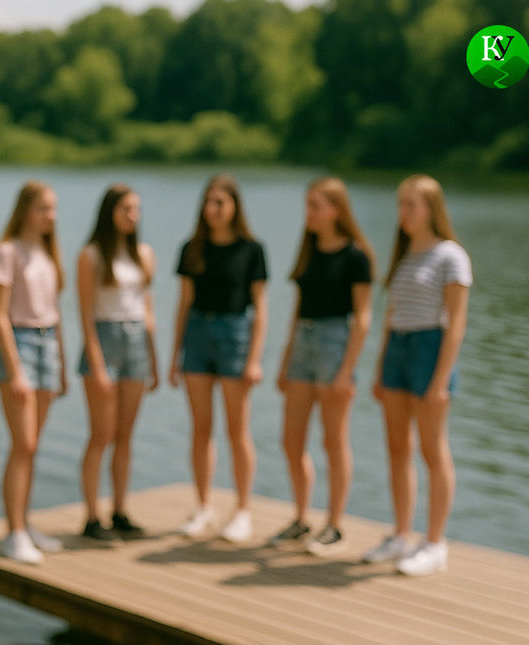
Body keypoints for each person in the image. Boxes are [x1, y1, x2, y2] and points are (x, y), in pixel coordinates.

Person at [363, 174, 471, 576]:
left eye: (411, 205)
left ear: (432, 209)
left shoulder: (451, 255)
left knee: (432, 449)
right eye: (400, 204)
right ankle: (401, 535)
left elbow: (456, 322)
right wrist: (379, 367)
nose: (403, 213)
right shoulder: (404, 254)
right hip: (398, 352)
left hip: (429, 352)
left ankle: (434, 542)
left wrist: (441, 379)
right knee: (396, 447)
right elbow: (392, 316)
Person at [268, 177, 374, 555]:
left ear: (337, 210)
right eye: (307, 205)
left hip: (335, 347)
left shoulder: (356, 256)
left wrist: (347, 370)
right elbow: (299, 309)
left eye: (316, 205)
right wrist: (284, 357)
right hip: (303, 346)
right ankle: (301, 518)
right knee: (291, 440)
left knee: (334, 440)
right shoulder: (308, 250)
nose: (308, 213)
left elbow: (362, 317)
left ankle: (335, 525)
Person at [168, 173, 268, 542]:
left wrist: (254, 358)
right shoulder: (191, 248)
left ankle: (242, 510)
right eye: (208, 202)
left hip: (235, 336)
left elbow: (261, 307)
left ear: (235, 206)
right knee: (201, 427)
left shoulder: (251, 249)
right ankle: (203, 506)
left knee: (237, 429)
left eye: (220, 203)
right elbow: (183, 303)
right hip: (197, 335)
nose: (213, 209)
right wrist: (175, 353)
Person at [0, 180, 68, 564]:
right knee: (24, 445)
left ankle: (26, 523)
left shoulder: (49, 253)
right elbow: (0, 315)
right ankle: (13, 532)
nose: (51, 216)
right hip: (19, 346)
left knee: (34, 446)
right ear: (26, 210)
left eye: (53, 209)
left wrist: (63, 365)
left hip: (48, 345)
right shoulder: (8, 252)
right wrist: (16, 371)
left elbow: (56, 311)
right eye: (44, 209)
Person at [76, 184, 159, 542]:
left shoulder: (144, 253)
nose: (133, 215)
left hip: (137, 342)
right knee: (101, 435)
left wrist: (154, 357)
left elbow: (147, 307)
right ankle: (93, 517)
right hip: (105, 341)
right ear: (110, 211)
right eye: (127, 208)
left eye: (137, 209)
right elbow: (85, 314)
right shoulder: (91, 255)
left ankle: (120, 511)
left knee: (126, 435)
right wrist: (96, 363)